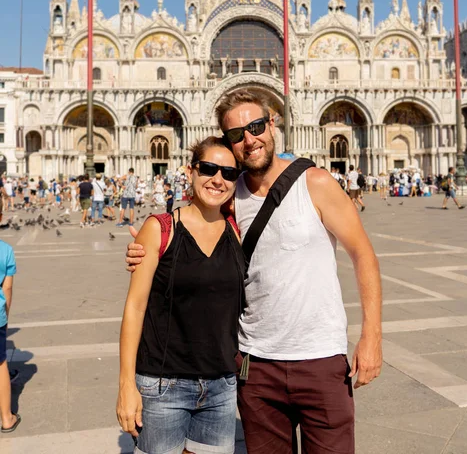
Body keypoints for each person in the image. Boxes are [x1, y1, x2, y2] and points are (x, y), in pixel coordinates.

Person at [126, 91, 382, 454]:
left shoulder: (316, 183)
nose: (250, 139)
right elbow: (195, 223)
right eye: (237, 134)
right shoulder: (232, 196)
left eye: (257, 126)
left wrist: (371, 336)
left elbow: (364, 255)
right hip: (255, 367)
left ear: (272, 124)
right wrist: (147, 247)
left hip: (320, 361)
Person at [117, 137, 244, 454]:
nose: (218, 179)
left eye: (228, 173)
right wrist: (126, 385)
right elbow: (134, 308)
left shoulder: (238, 232)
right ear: (191, 171)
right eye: (209, 169)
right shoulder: (160, 228)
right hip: (163, 385)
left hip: (221, 386)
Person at [0, 239, 21, 433]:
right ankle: (6, 418)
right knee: (0, 364)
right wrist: (5, 312)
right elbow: (7, 288)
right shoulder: (5, 250)